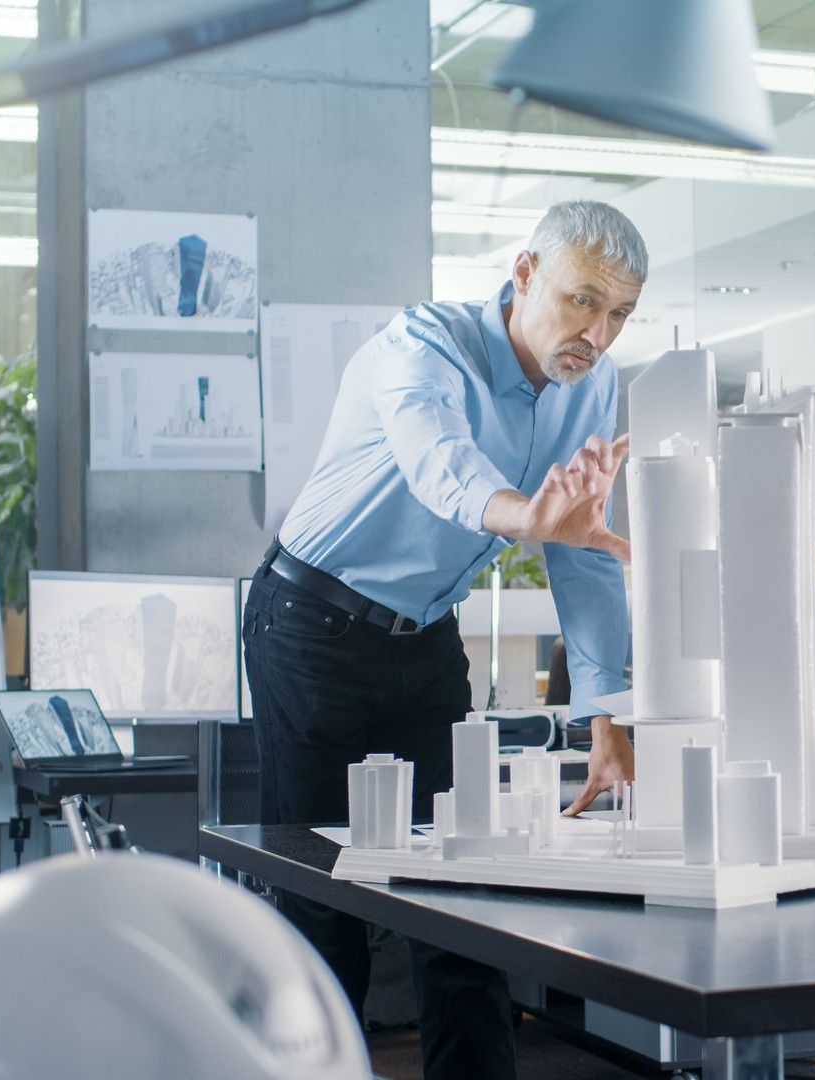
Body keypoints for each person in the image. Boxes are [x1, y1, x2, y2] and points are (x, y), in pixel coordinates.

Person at [243, 201, 644, 1080]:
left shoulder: (594, 386)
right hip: (310, 625)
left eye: (619, 314)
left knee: (464, 891)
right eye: (582, 301)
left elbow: (585, 555)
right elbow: (441, 467)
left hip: (424, 639)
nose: (598, 333)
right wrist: (524, 513)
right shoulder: (421, 346)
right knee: (326, 899)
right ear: (525, 272)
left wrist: (605, 716)